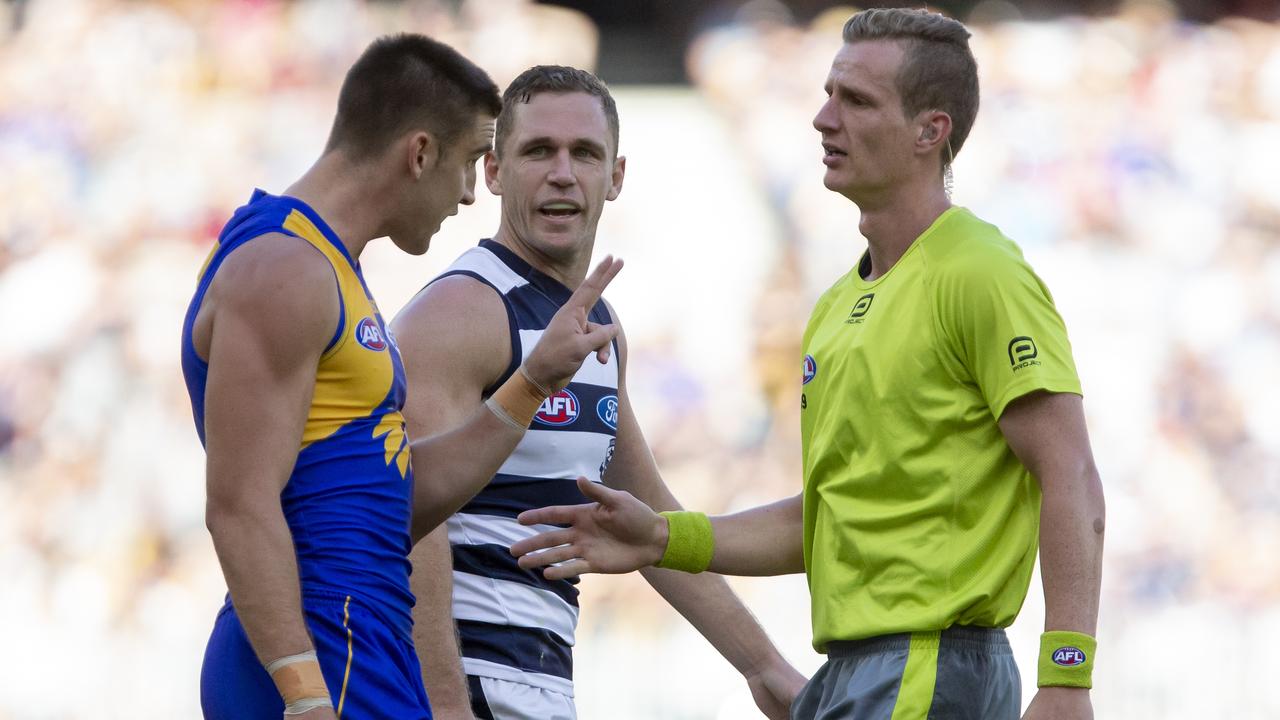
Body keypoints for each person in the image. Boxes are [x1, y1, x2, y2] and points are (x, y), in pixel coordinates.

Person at [512, 9, 1106, 720]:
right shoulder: (835, 306)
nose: (824, 119)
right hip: (858, 668)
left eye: (856, 101)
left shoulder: (980, 271)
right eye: (828, 94)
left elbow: (1069, 472)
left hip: (929, 665)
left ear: (931, 130)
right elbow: (822, 520)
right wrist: (666, 537)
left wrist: (1067, 675)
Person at [182, 35, 622, 720]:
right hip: (326, 646)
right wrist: (304, 696)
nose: (473, 193)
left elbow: (390, 501)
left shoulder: (327, 268)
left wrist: (532, 382)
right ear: (420, 154)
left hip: (363, 640)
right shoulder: (284, 267)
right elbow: (239, 505)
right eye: (473, 162)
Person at [390, 65, 807, 720]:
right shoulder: (461, 313)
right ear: (494, 173)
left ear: (616, 177)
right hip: (468, 685)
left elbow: (644, 518)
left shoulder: (597, 330)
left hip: (543, 685)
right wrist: (444, 705)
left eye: (584, 153)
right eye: (538, 151)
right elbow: (412, 518)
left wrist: (764, 667)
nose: (563, 172)